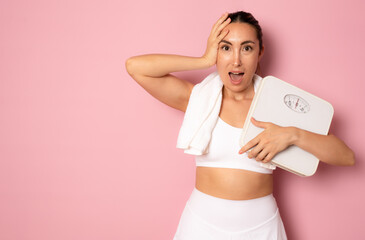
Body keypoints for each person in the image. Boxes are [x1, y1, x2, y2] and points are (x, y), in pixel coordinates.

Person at [125, 11, 355, 240]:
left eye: (246, 48)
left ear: (259, 52)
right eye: (225, 48)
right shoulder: (199, 99)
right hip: (201, 224)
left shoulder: (277, 105)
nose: (236, 60)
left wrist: (293, 135)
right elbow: (135, 66)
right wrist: (203, 60)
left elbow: (346, 156)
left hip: (261, 225)